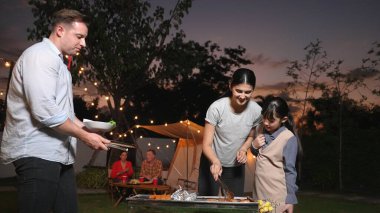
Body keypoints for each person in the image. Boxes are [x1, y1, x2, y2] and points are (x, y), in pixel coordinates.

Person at [0, 9, 110, 213]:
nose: (84, 44)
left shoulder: (60, 64)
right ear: (60, 30)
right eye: (79, 36)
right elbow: (46, 112)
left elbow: (64, 113)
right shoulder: (40, 56)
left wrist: (89, 130)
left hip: (58, 155)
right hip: (36, 153)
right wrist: (85, 137)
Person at [198, 68, 262, 196]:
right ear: (230, 86)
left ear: (253, 90)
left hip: (236, 168)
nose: (243, 96)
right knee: (207, 204)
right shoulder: (217, 108)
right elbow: (206, 144)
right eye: (239, 91)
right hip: (212, 163)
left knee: (235, 205)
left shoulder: (256, 111)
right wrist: (215, 161)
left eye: (248, 92)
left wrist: (244, 149)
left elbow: (250, 136)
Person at [252, 97, 302, 213]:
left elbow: (290, 171)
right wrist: (254, 146)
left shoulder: (288, 138)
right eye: (264, 118)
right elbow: (259, 154)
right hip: (259, 194)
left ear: (283, 119)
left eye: (271, 120)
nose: (265, 123)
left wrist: (290, 199)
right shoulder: (262, 130)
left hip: (277, 195)